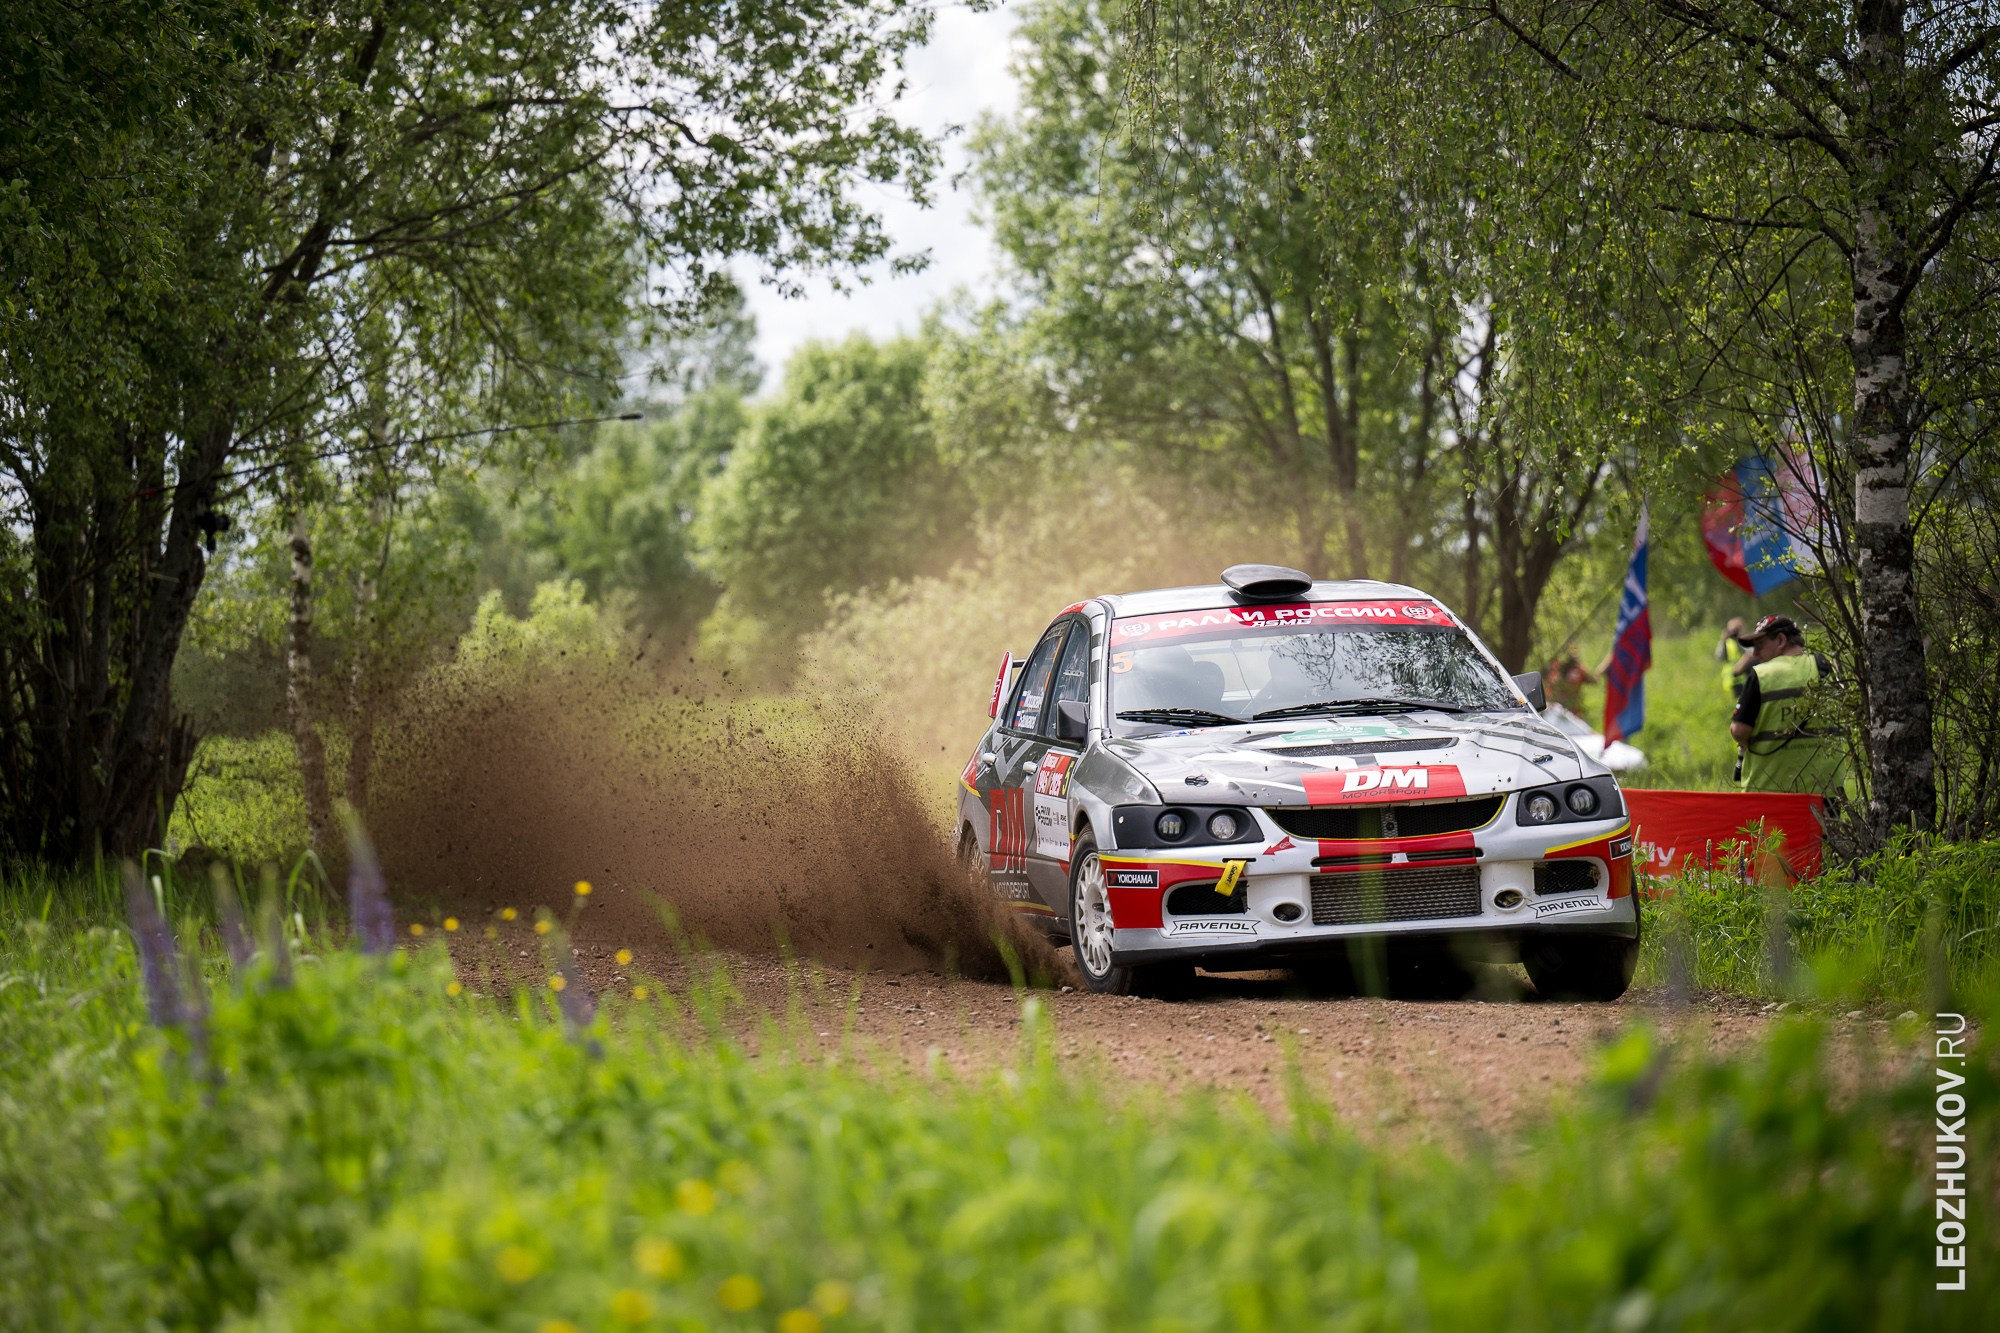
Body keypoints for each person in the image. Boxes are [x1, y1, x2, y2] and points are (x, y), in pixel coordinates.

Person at [1728, 614, 1845, 793]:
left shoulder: (1762, 675)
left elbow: (1739, 731)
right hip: (1825, 790)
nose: (1756, 654)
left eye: (1759, 646)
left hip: (1770, 789)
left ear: (1781, 640)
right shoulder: (1824, 667)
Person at [1714, 615, 1755, 697]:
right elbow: (1719, 657)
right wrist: (1723, 640)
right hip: (1733, 680)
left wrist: (1739, 639)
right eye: (1732, 630)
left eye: (1737, 629)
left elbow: (1751, 653)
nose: (1734, 632)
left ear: (1743, 628)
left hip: (1748, 677)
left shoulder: (1748, 640)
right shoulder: (1727, 643)